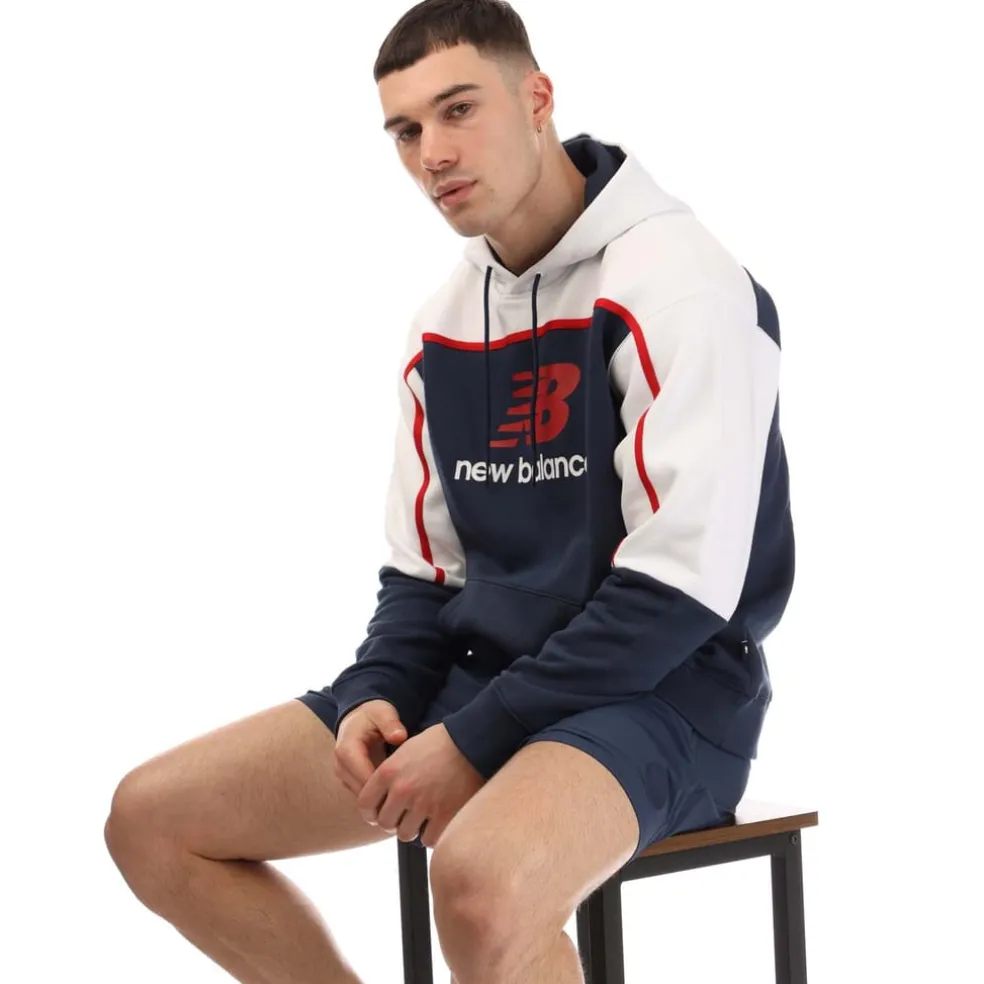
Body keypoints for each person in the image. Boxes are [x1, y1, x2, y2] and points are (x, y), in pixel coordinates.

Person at [105, 2, 795, 983]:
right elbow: (425, 579)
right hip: (486, 681)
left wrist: (476, 736)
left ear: (537, 99)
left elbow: (681, 592)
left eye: (458, 109)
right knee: (151, 821)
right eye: (405, 130)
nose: (432, 153)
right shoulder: (443, 324)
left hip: (666, 695)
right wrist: (376, 694)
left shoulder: (683, 283)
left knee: (478, 884)